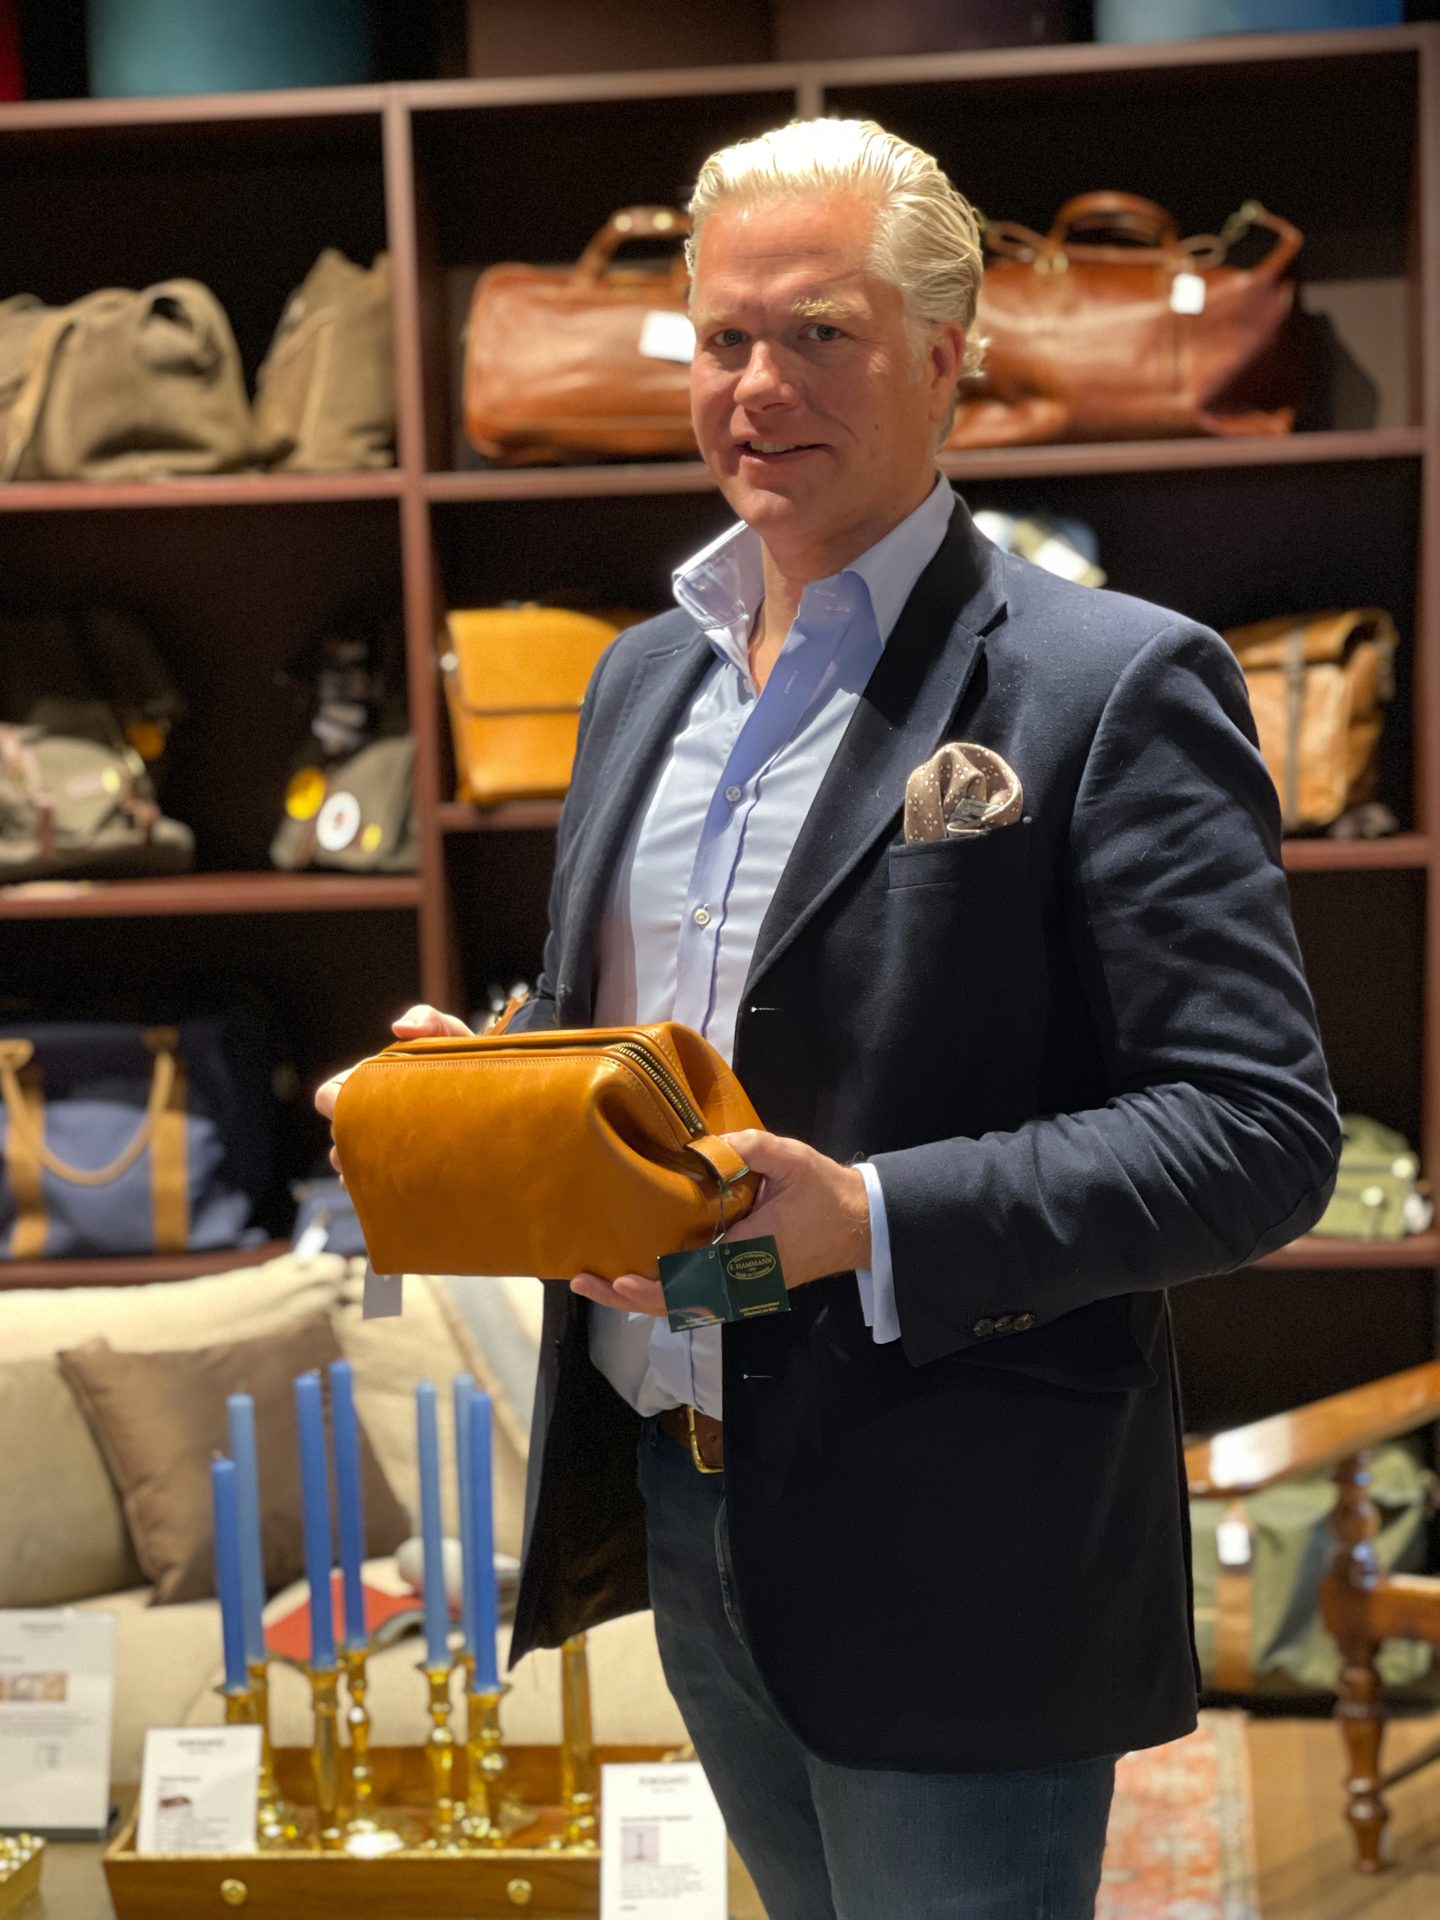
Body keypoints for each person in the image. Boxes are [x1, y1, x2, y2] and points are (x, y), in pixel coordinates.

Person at [320, 119, 1339, 1920]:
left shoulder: (1113, 682)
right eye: (723, 339)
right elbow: (636, 1031)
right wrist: (502, 1089)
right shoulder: (645, 676)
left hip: (962, 1540)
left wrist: (868, 1219)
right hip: (685, 1491)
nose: (756, 386)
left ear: (947, 356)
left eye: (821, 334)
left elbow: (1258, 1137)